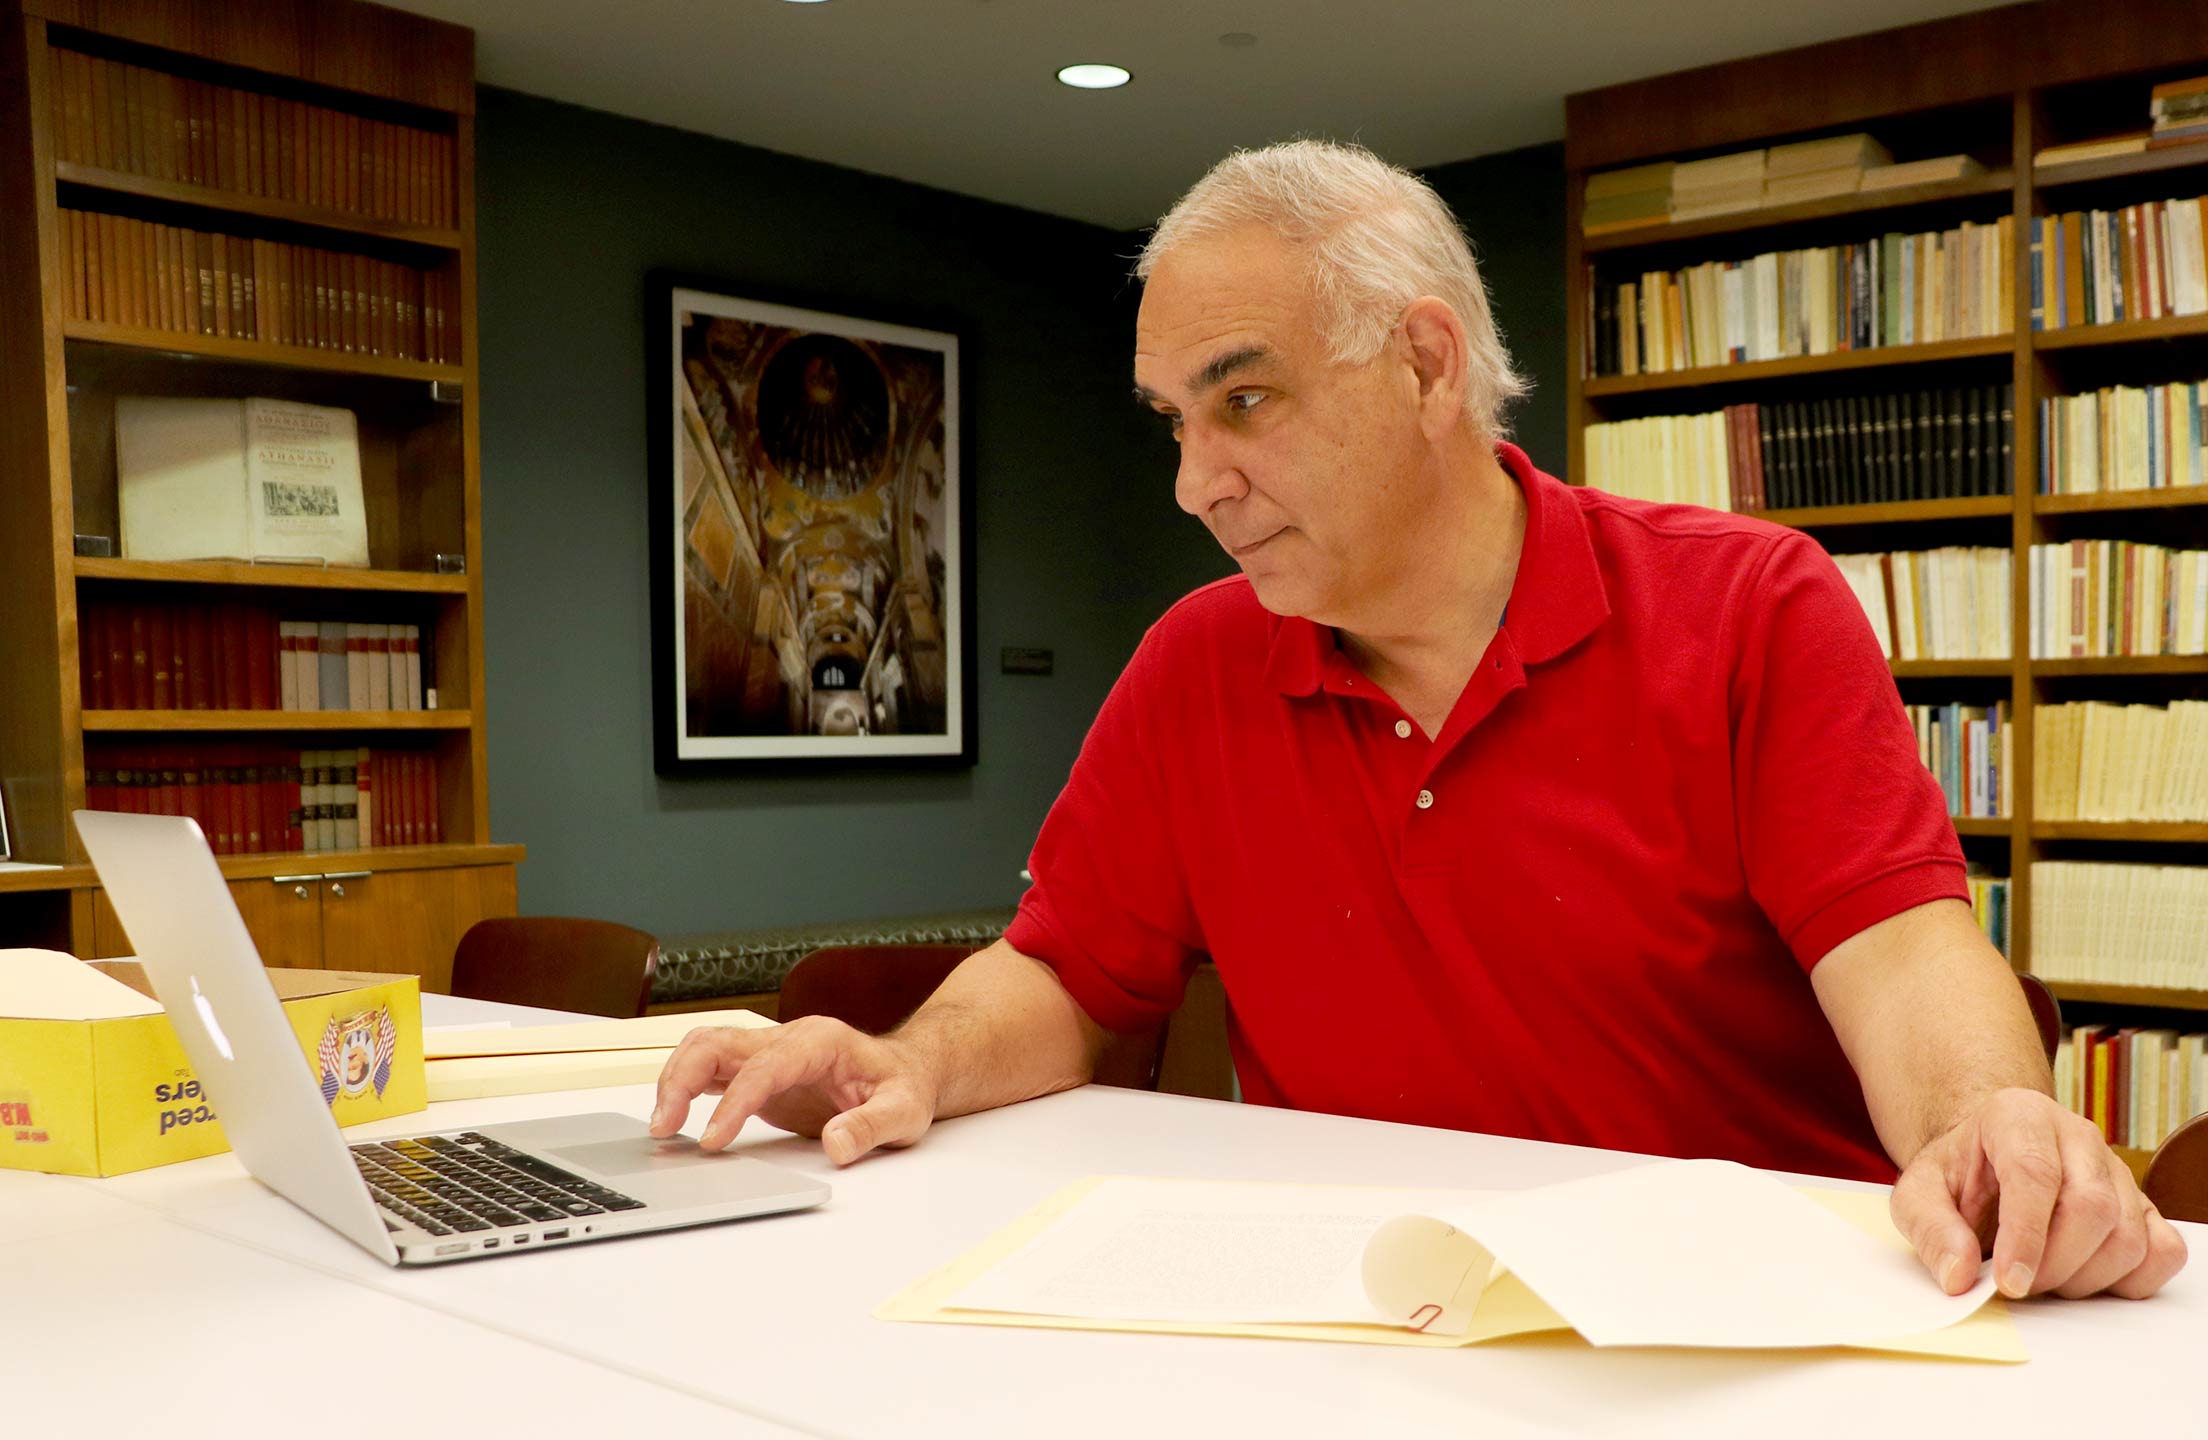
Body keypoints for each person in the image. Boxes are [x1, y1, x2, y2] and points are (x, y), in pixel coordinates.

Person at [653, 140, 2187, 1302]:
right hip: (1392, 1320)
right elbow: (1067, 971)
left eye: (1241, 401)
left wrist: (1991, 1123)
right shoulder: (1200, 666)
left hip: (1750, 1321)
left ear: (1426, 361)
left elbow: (1907, 952)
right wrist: (906, 1062)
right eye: (1174, 423)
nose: (1195, 483)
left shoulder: (1747, 609)